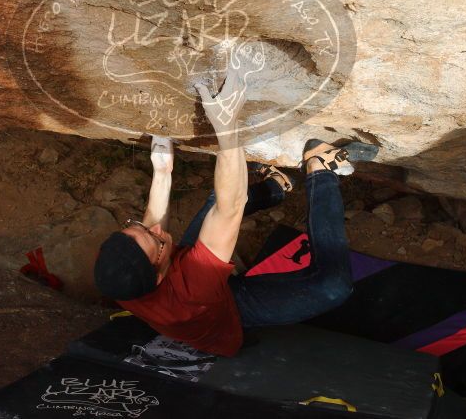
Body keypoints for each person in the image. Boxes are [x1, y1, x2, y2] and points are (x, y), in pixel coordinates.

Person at [93, 59, 357, 357]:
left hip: (182, 276)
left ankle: (275, 188)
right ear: (156, 276)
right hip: (229, 310)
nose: (155, 227)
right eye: (155, 239)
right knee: (334, 287)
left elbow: (150, 231)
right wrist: (227, 124)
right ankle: (320, 169)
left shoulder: (118, 276)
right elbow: (231, 206)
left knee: (217, 198)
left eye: (136, 225)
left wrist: (162, 170)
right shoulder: (194, 290)